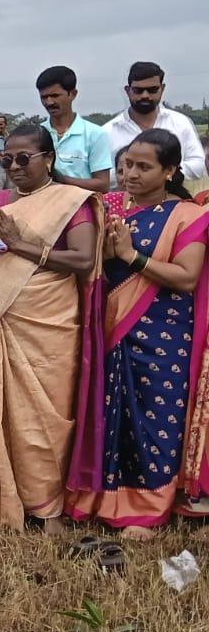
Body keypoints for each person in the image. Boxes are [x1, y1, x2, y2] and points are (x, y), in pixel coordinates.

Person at [0, 123, 102, 533]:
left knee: (43, 415)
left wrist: (20, 246)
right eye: (7, 159)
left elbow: (83, 259)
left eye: (24, 158)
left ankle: (46, 506)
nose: (14, 166)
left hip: (48, 318)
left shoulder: (70, 200)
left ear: (48, 159)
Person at [65, 129, 209, 536]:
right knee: (111, 412)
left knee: (155, 416)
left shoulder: (188, 215)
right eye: (127, 164)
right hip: (111, 328)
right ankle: (102, 498)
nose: (130, 174)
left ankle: (148, 508)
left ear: (170, 171)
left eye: (144, 167)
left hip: (164, 334)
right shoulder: (111, 209)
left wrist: (131, 255)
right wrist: (108, 255)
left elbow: (186, 277)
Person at [103, 62, 207, 181]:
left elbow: (199, 166)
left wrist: (161, 173)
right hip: (126, 193)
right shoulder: (108, 131)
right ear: (127, 91)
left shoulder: (180, 123)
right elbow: (102, 175)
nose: (145, 95)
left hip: (174, 192)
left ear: (162, 89)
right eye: (138, 90)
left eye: (152, 90)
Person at [35, 66, 111, 193]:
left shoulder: (94, 134)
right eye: (44, 97)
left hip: (81, 204)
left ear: (73, 94)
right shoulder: (37, 134)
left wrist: (60, 179)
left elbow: (102, 184)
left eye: (55, 96)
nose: (49, 102)